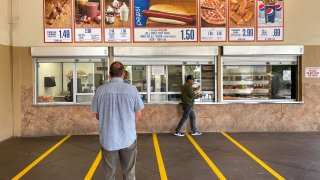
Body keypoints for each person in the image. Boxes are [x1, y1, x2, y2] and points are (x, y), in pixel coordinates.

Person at [91, 61, 144, 180]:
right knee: (129, 173)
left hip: (108, 139)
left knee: (109, 174)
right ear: (123, 73)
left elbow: (98, 116)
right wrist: (128, 125)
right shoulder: (132, 89)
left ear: (109, 74)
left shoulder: (100, 90)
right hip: (128, 137)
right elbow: (138, 114)